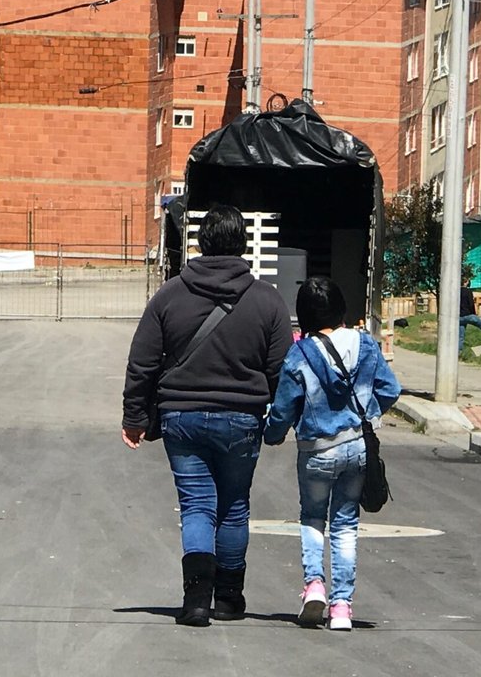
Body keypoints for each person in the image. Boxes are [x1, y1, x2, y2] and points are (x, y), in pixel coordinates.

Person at [121, 203, 292, 628]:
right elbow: (281, 370)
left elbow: (142, 362)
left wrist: (135, 417)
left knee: (197, 506)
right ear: (243, 243)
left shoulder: (170, 295)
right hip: (242, 419)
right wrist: (278, 418)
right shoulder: (267, 300)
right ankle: (230, 599)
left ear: (201, 242)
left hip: (181, 417)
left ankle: (196, 599)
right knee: (233, 507)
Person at [265, 277, 401, 630]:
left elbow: (283, 407)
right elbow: (391, 389)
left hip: (316, 450)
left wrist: (273, 434)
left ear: (304, 315)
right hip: (357, 447)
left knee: (313, 518)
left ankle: (314, 586)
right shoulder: (365, 344)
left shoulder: (300, 353)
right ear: (342, 308)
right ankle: (342, 607)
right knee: (345, 524)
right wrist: (368, 412)